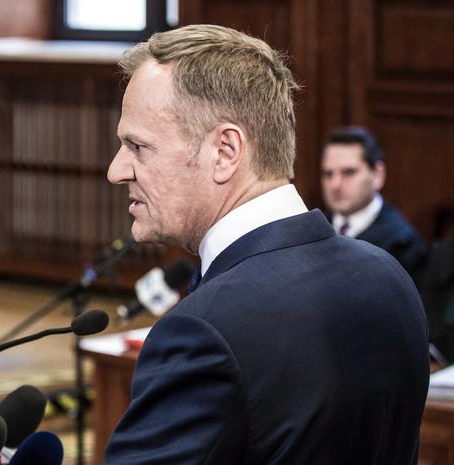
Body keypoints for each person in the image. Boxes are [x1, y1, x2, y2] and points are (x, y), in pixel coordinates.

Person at [104, 24, 429, 464]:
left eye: (138, 146)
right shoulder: (388, 277)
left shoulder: (203, 331)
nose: (117, 170)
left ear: (224, 152)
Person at [321, 126, 426, 280]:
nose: (335, 184)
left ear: (377, 175)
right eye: (328, 174)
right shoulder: (315, 228)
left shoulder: (402, 242)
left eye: (348, 172)